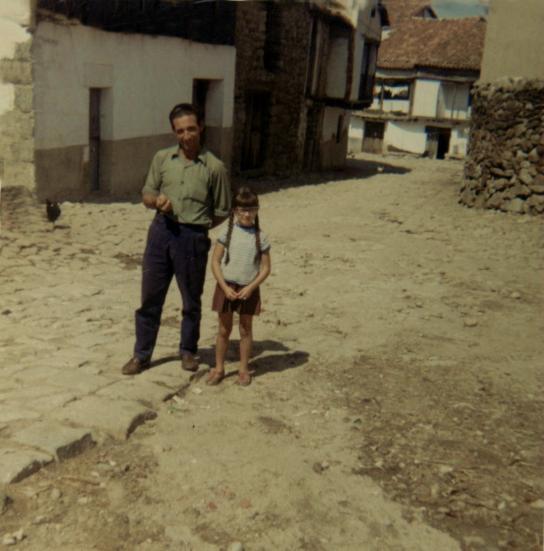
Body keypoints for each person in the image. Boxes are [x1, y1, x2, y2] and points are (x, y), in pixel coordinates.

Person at [122, 103, 231, 375]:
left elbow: (222, 210)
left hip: (192, 239)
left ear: (201, 127)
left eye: (191, 129)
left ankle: (188, 351)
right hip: (161, 232)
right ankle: (141, 355)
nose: (186, 136)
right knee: (150, 298)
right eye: (180, 131)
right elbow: (147, 193)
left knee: (191, 300)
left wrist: (197, 226)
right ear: (174, 132)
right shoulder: (162, 159)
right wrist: (156, 201)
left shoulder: (215, 167)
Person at [206, 187, 271, 386]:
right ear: (235, 211)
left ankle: (243, 369)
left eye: (251, 209)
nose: (247, 214)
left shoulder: (261, 237)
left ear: (257, 210)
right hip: (226, 286)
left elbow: (266, 268)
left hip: (248, 289)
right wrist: (224, 287)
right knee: (223, 329)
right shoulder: (226, 232)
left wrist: (251, 287)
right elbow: (215, 262)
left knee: (245, 329)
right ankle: (219, 368)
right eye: (242, 210)